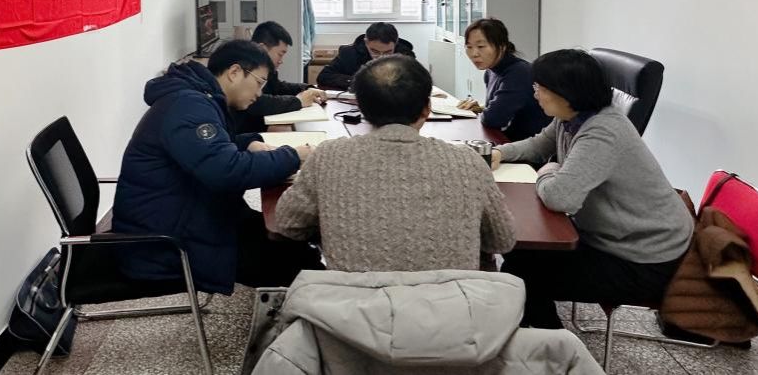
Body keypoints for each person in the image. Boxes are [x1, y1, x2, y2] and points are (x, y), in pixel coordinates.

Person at [494, 49, 693, 329]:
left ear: (565, 93)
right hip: (613, 237)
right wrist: (498, 153)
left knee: (523, 273)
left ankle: (553, 346)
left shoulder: (602, 132)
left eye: (540, 87)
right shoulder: (570, 117)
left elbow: (560, 197)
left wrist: (549, 170)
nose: (535, 93)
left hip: (644, 257)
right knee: (516, 250)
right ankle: (542, 335)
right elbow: (538, 145)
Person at [113, 40, 324, 295]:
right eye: (259, 83)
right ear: (234, 72)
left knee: (294, 242)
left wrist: (248, 143)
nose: (259, 93)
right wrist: (293, 156)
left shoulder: (196, 97)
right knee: (297, 263)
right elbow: (227, 172)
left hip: (186, 216)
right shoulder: (189, 106)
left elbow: (210, 150)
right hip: (166, 246)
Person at [275, 54, 516, 272]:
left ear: (362, 109)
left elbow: (288, 223)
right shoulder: (468, 162)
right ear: (427, 109)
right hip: (452, 305)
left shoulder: (329, 157)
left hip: (353, 304)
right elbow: (502, 240)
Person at [456, 18, 550, 140]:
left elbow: (494, 119)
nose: (474, 53)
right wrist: (481, 108)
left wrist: (487, 111)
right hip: (509, 140)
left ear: (502, 46)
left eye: (481, 46)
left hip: (530, 146)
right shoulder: (490, 72)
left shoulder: (519, 72)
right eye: (469, 47)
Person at [234, 21, 327, 134]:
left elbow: (278, 87)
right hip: (243, 132)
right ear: (262, 48)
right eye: (280, 54)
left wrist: (307, 88)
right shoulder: (243, 68)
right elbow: (256, 102)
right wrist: (298, 101)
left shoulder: (265, 68)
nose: (281, 61)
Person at [315, 22, 414, 91]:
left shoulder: (405, 56)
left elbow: (415, 82)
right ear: (366, 42)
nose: (381, 57)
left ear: (396, 44)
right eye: (375, 51)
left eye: (388, 52)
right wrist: (360, 81)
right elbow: (324, 77)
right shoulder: (349, 53)